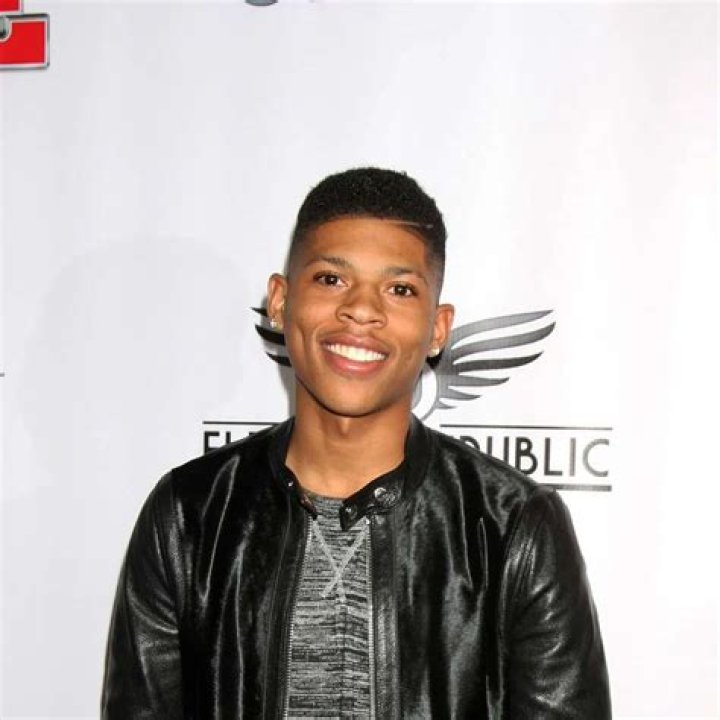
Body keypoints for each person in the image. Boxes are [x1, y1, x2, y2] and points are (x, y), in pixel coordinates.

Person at [101, 167, 611, 719]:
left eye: (400, 289)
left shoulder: (513, 528)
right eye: (331, 279)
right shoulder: (189, 517)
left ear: (438, 329)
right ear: (280, 301)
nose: (362, 310)